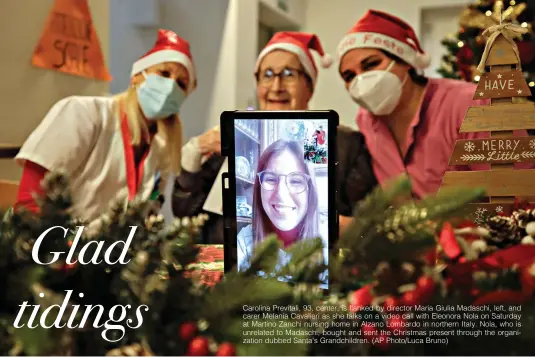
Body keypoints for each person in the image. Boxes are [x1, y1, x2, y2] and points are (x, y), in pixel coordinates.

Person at [173, 31, 378, 243]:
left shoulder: (343, 144)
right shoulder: (239, 136)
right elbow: (186, 215)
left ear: (310, 87)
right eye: (267, 75)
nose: (276, 87)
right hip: (234, 269)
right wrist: (193, 152)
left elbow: (368, 225)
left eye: (289, 74)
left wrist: (327, 225)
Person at [336, 9, 531, 200]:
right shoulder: (366, 121)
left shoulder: (473, 104)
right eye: (349, 76)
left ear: (406, 61)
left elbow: (519, 191)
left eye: (371, 64)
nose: (361, 80)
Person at [14, 29, 196, 223]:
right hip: (60, 246)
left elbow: (148, 214)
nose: (170, 88)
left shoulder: (162, 149)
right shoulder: (81, 113)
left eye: (181, 84)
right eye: (164, 73)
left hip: (114, 250)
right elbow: (30, 203)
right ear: (136, 76)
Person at [236, 140, 321, 271]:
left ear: (311, 192)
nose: (281, 194)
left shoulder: (329, 244)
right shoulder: (245, 241)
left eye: (296, 181)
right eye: (270, 179)